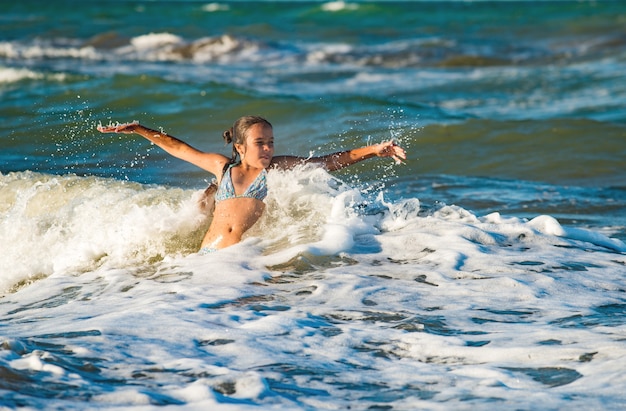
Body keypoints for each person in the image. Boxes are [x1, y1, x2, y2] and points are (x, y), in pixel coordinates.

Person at [97, 116, 406, 253]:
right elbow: (180, 148)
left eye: (271, 142)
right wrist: (140, 130)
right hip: (207, 256)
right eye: (260, 143)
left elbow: (328, 161)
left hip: (238, 260)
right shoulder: (222, 168)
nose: (268, 149)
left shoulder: (277, 169)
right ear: (241, 147)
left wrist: (374, 150)